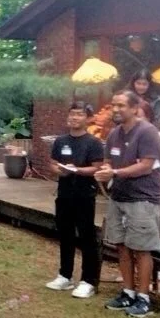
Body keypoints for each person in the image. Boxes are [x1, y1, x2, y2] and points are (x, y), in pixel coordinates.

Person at [95, 90, 160, 318]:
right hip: (119, 198)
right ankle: (128, 292)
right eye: (114, 105)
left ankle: (144, 298)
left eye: (121, 106)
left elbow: (146, 165)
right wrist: (104, 173)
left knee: (142, 249)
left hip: (143, 199)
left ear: (135, 108)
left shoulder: (147, 132)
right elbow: (107, 163)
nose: (116, 110)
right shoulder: (114, 134)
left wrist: (115, 172)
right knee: (121, 246)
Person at [45, 102, 105, 298]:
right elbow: (53, 164)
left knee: (87, 237)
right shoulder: (61, 141)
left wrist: (77, 170)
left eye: (79, 115)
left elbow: (97, 168)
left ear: (88, 118)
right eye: (72, 114)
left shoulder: (93, 143)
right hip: (64, 194)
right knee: (65, 234)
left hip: (85, 195)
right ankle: (65, 275)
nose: (74, 118)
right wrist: (60, 172)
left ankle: (88, 280)